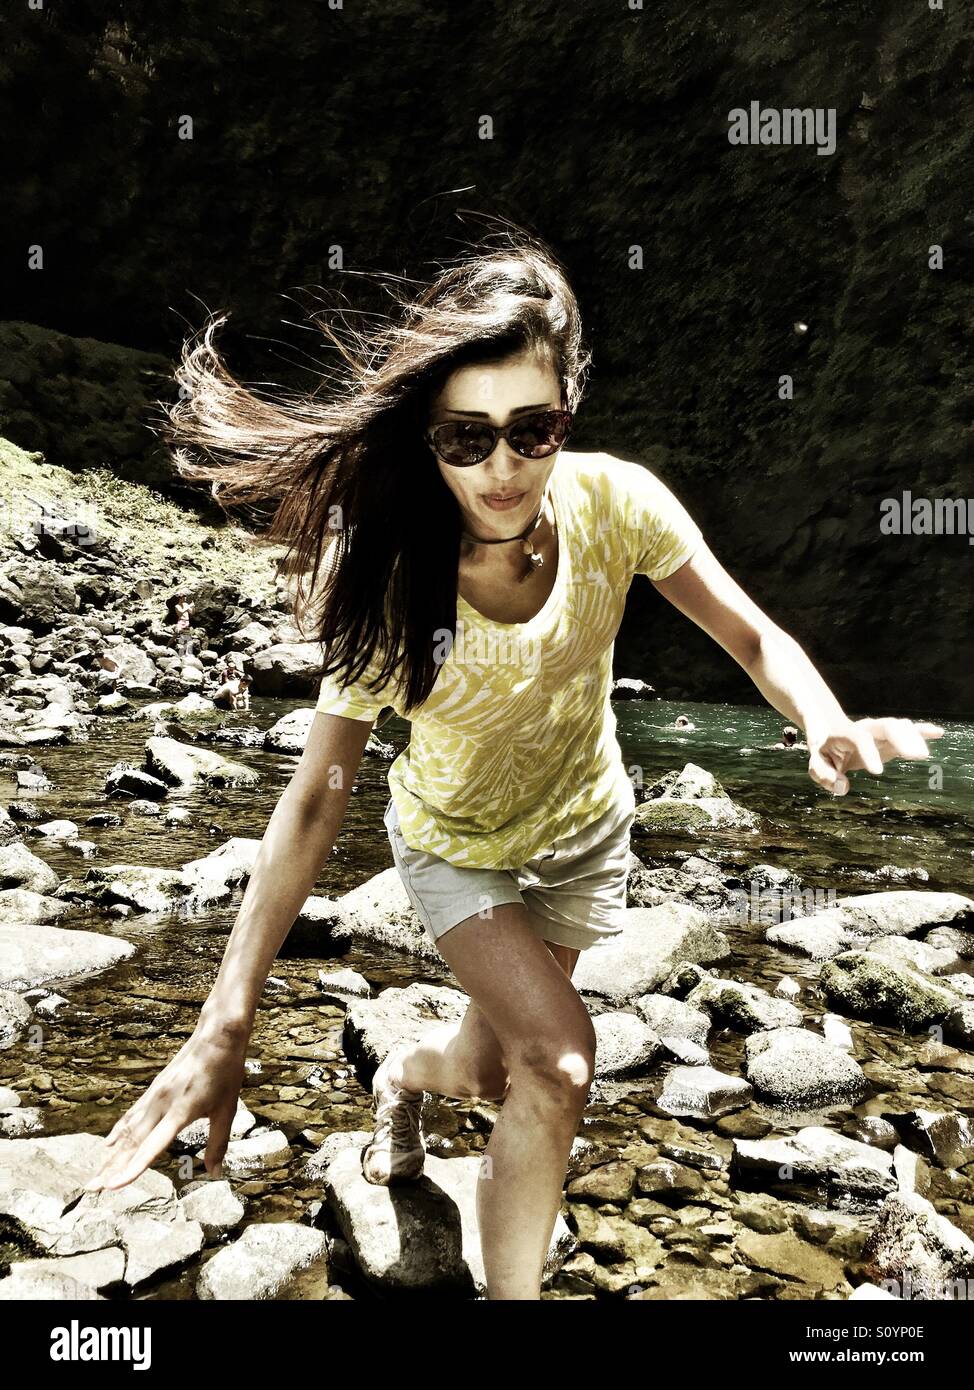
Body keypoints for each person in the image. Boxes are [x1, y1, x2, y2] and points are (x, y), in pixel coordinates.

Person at [81, 230, 944, 1300]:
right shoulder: (390, 576)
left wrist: (821, 720)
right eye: (464, 437)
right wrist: (227, 1018)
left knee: (493, 1071)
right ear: (425, 437)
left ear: (566, 412)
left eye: (532, 430)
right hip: (456, 849)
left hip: (583, 834)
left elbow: (753, 638)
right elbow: (313, 802)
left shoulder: (615, 503)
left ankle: (402, 1074)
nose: (501, 469)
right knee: (560, 1060)